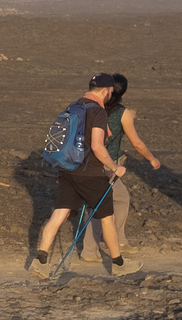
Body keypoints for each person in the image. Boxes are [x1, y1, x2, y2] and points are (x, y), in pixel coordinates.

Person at [31, 73, 139, 279]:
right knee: (107, 218)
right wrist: (115, 168)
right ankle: (119, 264)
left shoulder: (74, 105)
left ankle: (40, 262)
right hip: (90, 174)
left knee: (59, 214)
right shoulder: (98, 111)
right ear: (107, 91)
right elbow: (98, 147)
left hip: (67, 170)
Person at [82, 72, 160, 270]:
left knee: (120, 198)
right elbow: (136, 143)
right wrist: (152, 159)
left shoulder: (88, 107)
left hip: (86, 162)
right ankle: (91, 250)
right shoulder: (123, 113)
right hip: (106, 165)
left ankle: (118, 240)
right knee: (101, 206)